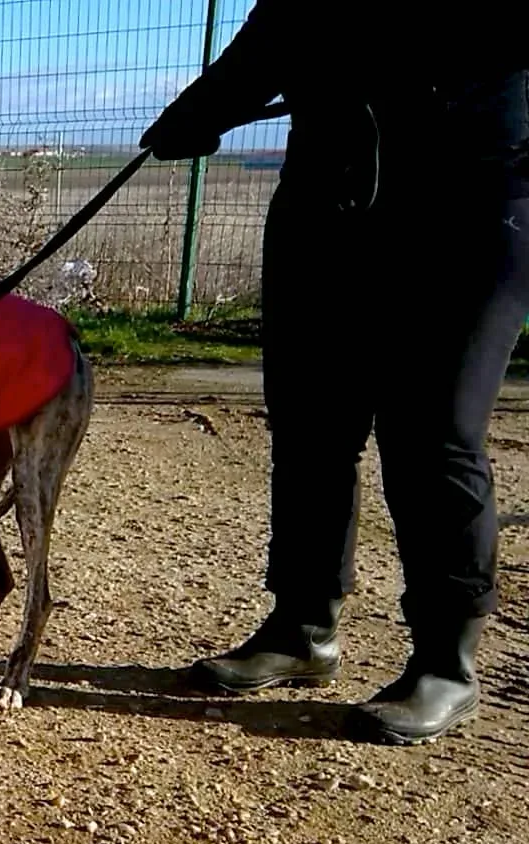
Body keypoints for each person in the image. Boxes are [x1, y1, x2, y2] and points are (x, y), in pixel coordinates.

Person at [140, 4, 529, 745]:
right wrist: (198, 112)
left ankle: (447, 663)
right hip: (327, 200)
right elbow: (272, 40)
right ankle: (302, 628)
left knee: (432, 431)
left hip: (474, 205)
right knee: (311, 425)